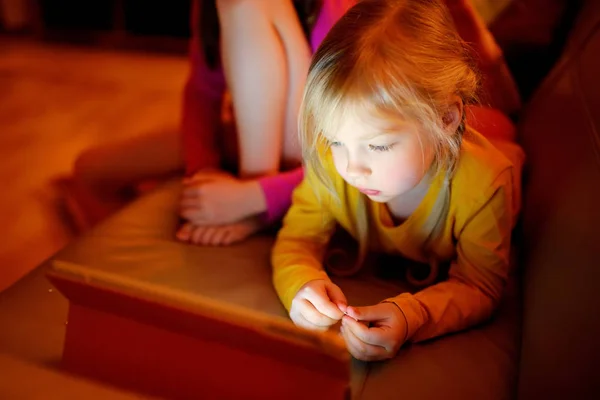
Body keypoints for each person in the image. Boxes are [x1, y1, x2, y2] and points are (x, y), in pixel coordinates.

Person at [271, 0, 525, 362]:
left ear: (446, 119)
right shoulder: (334, 164)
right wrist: (301, 286)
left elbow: (481, 284)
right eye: (336, 139)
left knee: (503, 128)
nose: (353, 167)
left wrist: (414, 315)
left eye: (378, 145)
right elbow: (297, 239)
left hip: (490, 140)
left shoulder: (486, 183)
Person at [66, 0, 355, 245]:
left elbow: (357, 154)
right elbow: (203, 93)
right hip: (247, 134)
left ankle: (255, 197)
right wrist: (202, 172)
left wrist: (254, 197)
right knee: (90, 169)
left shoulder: (336, 9)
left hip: (322, 155)